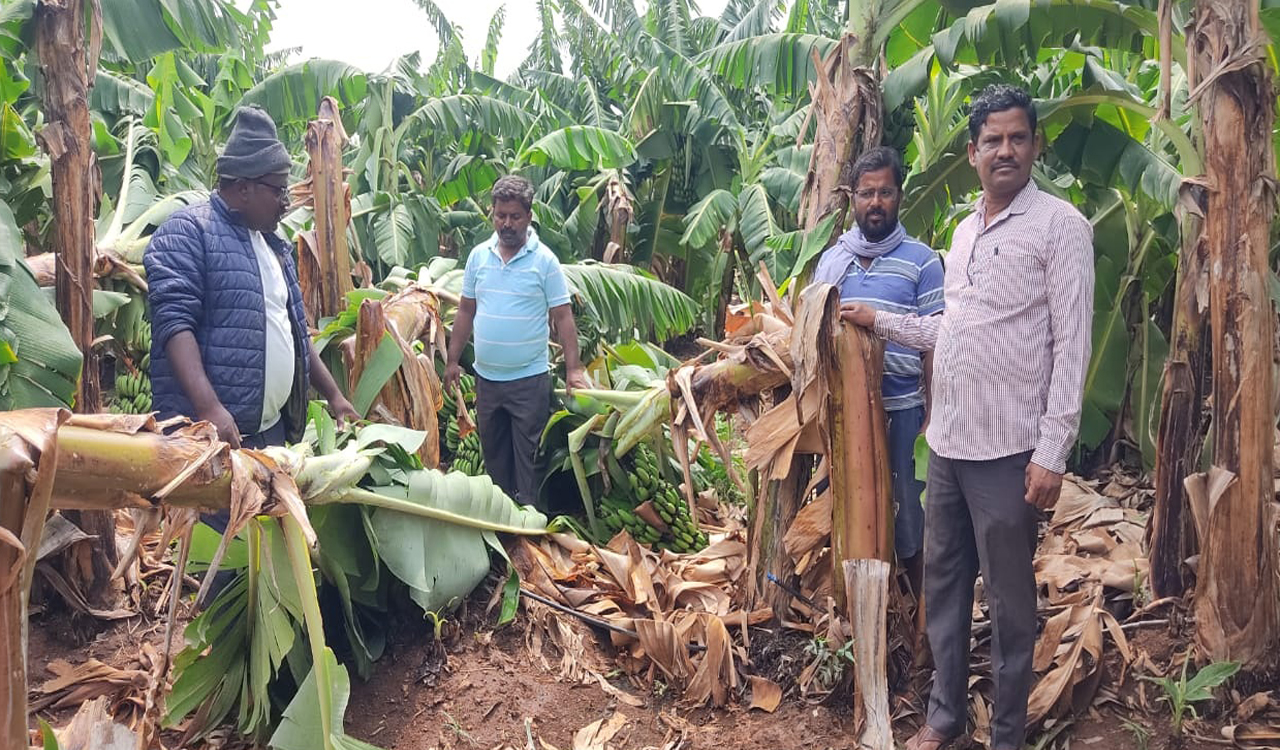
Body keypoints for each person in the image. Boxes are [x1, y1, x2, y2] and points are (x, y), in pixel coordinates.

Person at [841, 85, 1094, 750]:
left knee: (1011, 608)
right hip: (948, 448)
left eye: (1017, 138)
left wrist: (1053, 451)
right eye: (992, 140)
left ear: (1034, 145)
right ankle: (946, 718)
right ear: (973, 152)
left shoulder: (1060, 227)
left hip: (1010, 453)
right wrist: (881, 320)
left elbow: (1073, 345)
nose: (1004, 150)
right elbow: (949, 329)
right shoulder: (963, 230)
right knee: (946, 591)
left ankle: (1007, 734)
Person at [146, 105, 358, 460]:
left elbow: (296, 334)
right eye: (278, 190)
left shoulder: (274, 246)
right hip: (209, 438)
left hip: (268, 433)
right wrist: (210, 408)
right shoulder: (188, 232)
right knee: (209, 519)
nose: (286, 202)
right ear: (244, 188)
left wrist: (335, 396)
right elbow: (174, 326)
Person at [812, 146, 943, 597]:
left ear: (899, 195)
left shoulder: (923, 261)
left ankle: (917, 608)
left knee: (910, 507)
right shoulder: (832, 261)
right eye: (866, 193)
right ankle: (848, 604)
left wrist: (933, 410)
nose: (875, 202)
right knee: (845, 504)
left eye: (885, 192)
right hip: (844, 412)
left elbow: (935, 338)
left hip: (904, 406)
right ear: (851, 197)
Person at [444, 175, 590, 509]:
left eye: (515, 216)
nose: (507, 224)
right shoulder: (479, 257)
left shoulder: (545, 262)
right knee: (495, 461)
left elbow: (564, 317)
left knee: (530, 464)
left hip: (529, 382)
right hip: (487, 381)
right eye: (500, 216)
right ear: (491, 214)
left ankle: (532, 531)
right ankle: (505, 533)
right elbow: (466, 310)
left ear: (529, 215)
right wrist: (452, 361)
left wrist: (573, 369)